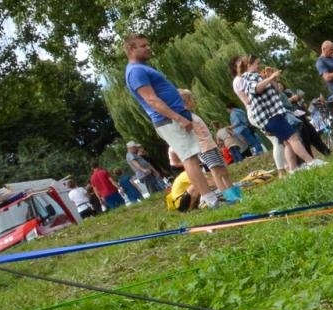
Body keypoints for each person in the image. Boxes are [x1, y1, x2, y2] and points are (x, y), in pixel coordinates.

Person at [123, 34, 235, 208]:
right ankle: (211, 199)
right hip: (169, 120)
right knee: (189, 158)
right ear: (131, 49)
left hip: (174, 118)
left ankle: (210, 197)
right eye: (143, 45)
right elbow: (152, 100)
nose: (148, 48)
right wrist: (178, 118)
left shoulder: (142, 68)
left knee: (193, 158)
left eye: (148, 44)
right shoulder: (136, 71)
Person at [233, 55, 322, 174]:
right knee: (293, 138)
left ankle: (293, 169)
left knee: (287, 143)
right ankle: (311, 162)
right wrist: (269, 79)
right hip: (270, 115)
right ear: (249, 65)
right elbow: (256, 89)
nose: (259, 66)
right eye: (257, 64)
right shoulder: (248, 77)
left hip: (275, 114)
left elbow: (277, 91)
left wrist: (272, 78)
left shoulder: (256, 76)